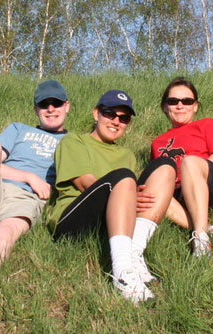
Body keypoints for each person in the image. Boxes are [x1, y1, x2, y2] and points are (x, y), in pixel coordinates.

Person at [45, 90, 176, 304]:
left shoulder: (127, 156)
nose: (116, 121)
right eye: (109, 114)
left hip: (110, 224)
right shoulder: (74, 141)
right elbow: (83, 182)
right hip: (71, 222)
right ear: (96, 114)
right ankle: (123, 273)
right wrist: (125, 192)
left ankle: (134, 253)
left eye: (124, 118)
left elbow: (138, 197)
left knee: (165, 167)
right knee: (124, 178)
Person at [0, 80, 70, 283]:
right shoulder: (18, 129)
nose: (51, 109)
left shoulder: (72, 142)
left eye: (56, 103)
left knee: (7, 231)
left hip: (26, 199)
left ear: (66, 106)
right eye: (44, 104)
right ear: (36, 109)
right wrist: (28, 176)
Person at [150, 78, 213, 257]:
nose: (180, 106)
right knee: (149, 189)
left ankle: (200, 240)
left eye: (187, 101)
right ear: (165, 107)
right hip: (182, 194)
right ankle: (210, 228)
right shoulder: (157, 143)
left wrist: (192, 176)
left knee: (189, 162)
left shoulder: (206, 125)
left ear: (195, 106)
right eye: (173, 101)